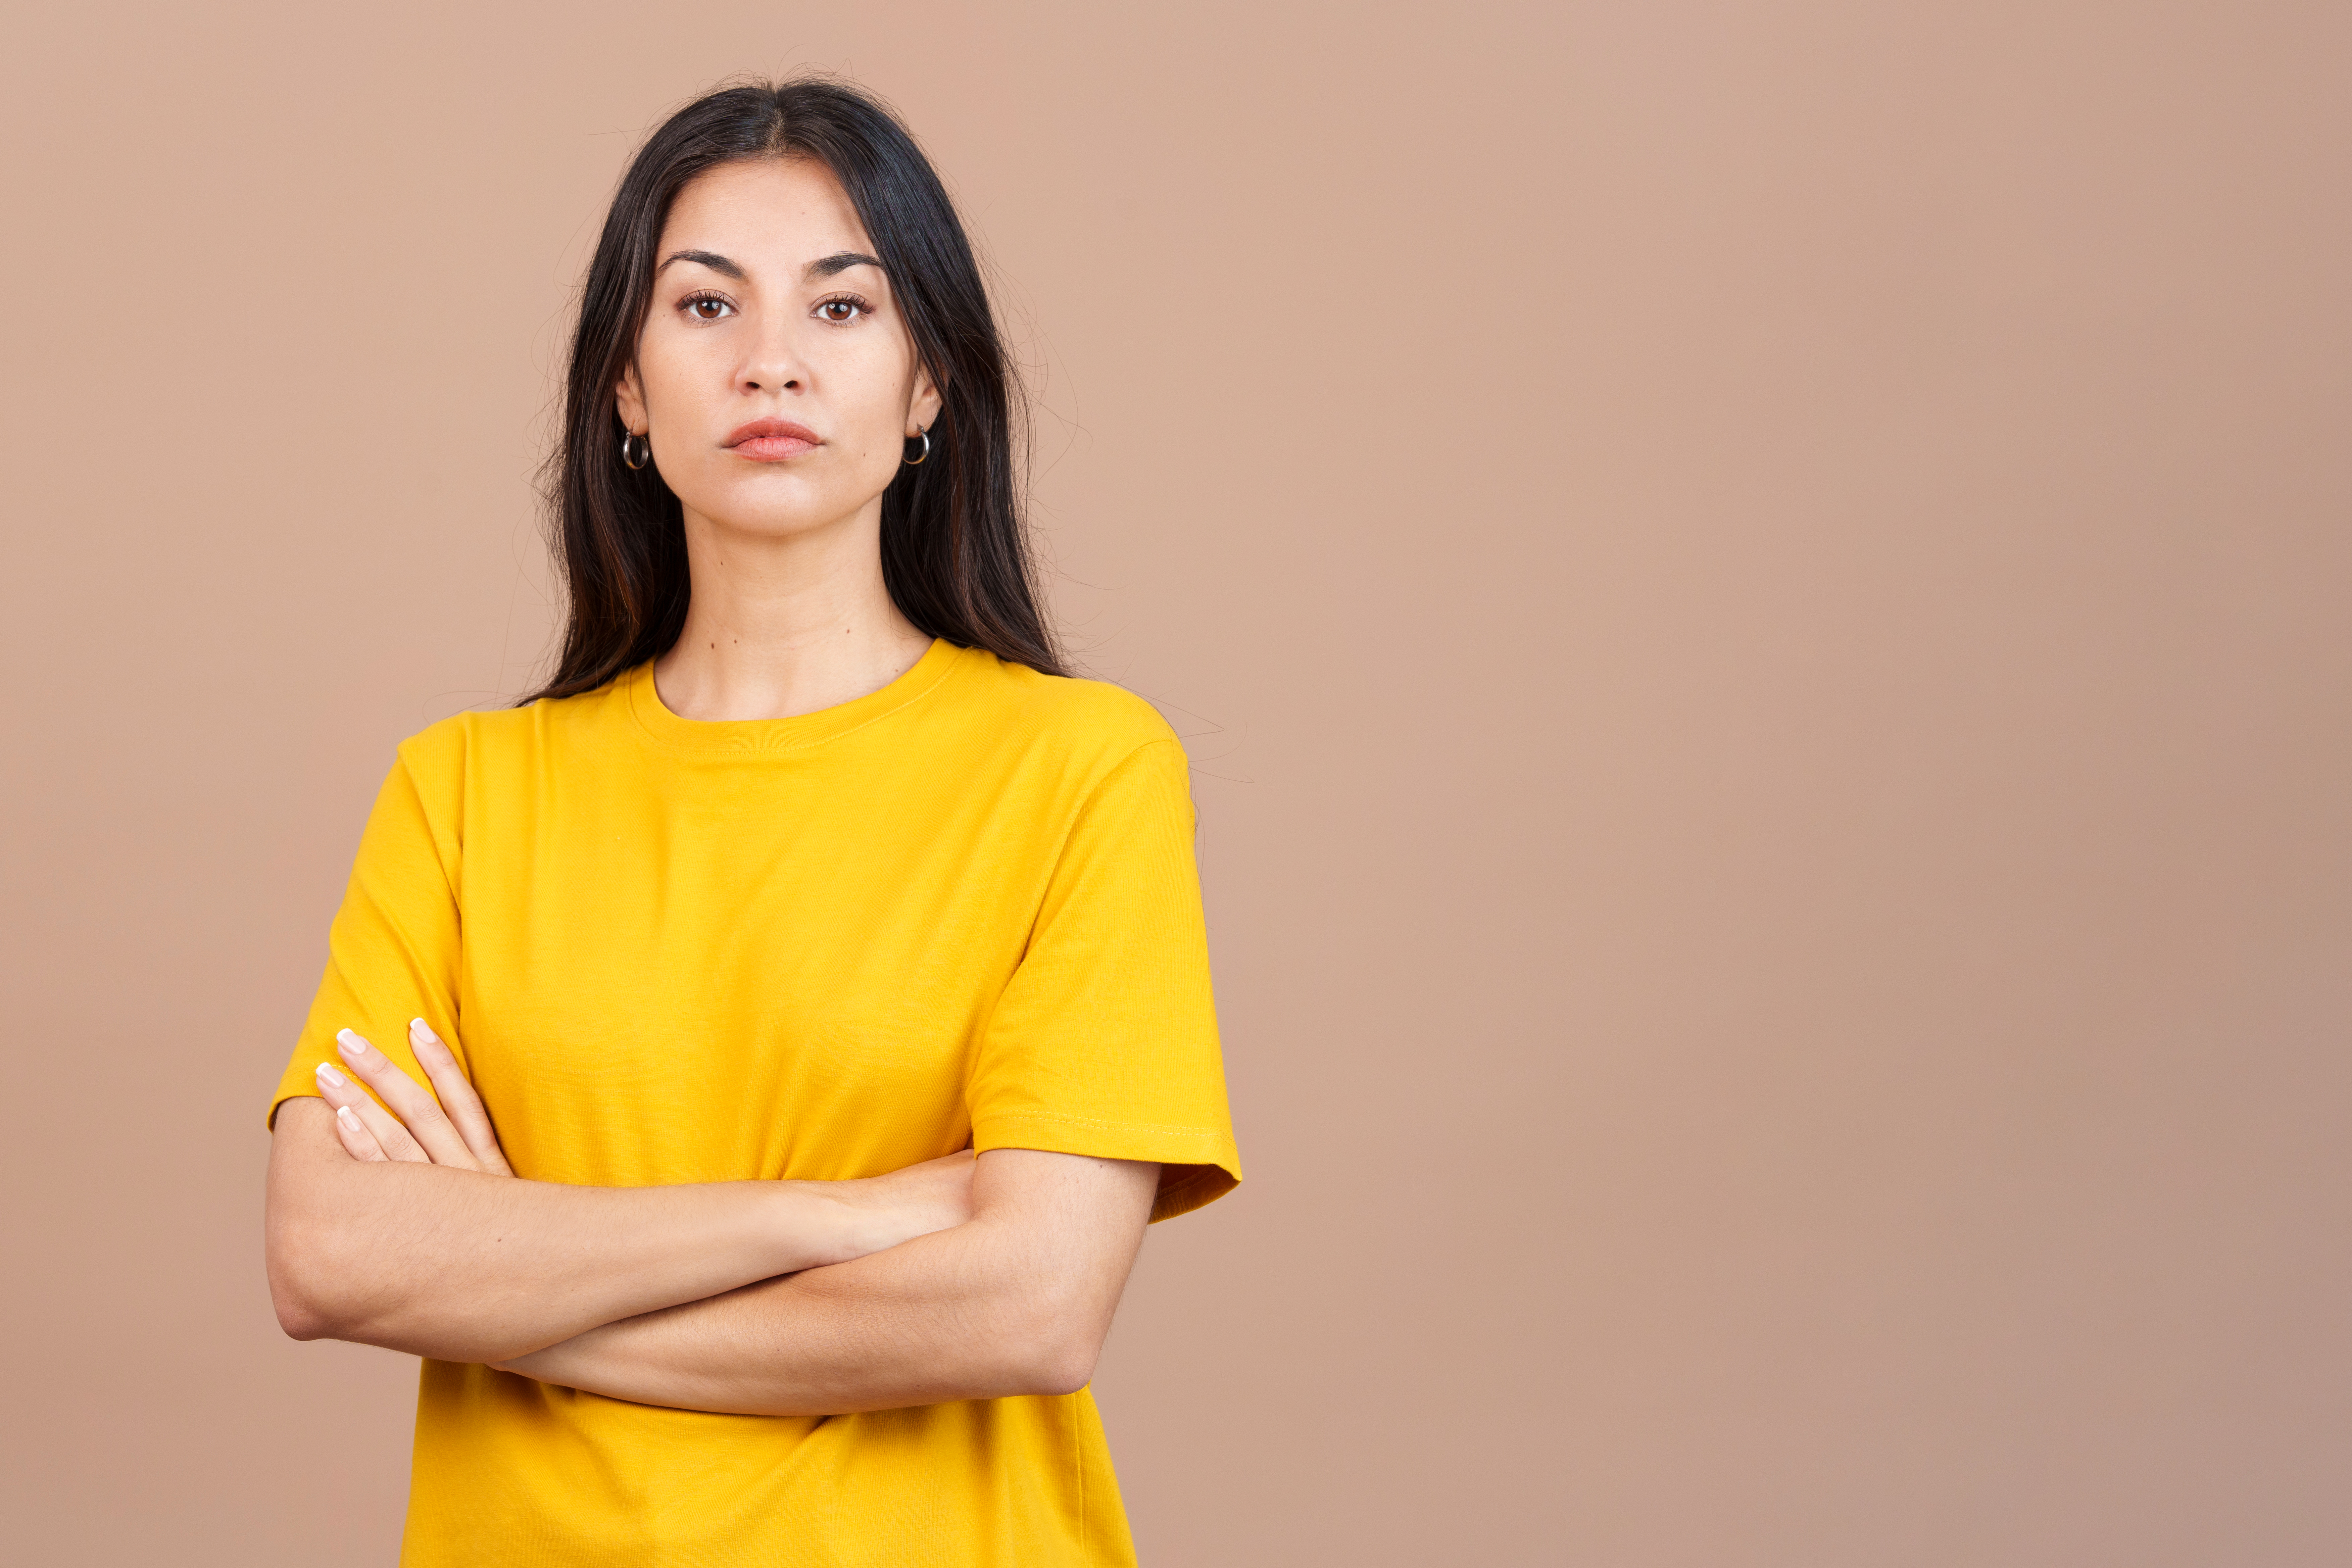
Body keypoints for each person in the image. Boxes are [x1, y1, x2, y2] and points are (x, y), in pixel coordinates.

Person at [261, 76, 1239, 1567]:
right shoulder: (462, 792)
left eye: (842, 310)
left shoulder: (1080, 769)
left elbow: (1031, 1307)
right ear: (628, 391)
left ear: (928, 387)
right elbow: (328, 1254)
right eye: (705, 309)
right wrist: (844, 1217)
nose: (770, 362)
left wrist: (520, 1283)